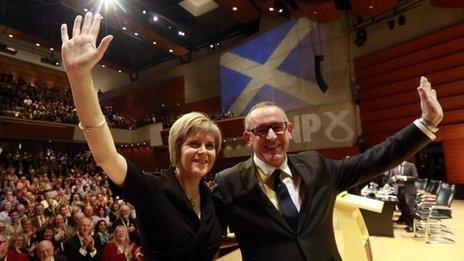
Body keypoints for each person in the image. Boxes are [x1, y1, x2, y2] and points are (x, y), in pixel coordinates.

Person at [212, 76, 443, 260]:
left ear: (289, 130)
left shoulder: (316, 166)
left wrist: (426, 122)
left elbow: (374, 159)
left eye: (277, 127)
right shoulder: (228, 182)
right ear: (247, 138)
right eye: (261, 130)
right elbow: (207, 239)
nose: (271, 136)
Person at [60, 12, 222, 259]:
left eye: (210, 146)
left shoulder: (211, 197)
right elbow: (106, 157)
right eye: (194, 143)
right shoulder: (152, 188)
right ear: (176, 147)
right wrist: (79, 77)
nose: (203, 151)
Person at [383, 161, 418, 232]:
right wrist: (393, 179)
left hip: (409, 190)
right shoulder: (394, 166)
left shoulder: (411, 165)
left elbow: (415, 177)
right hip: (398, 190)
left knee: (410, 208)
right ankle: (404, 220)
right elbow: (390, 179)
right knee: (402, 207)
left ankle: (411, 226)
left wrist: (403, 177)